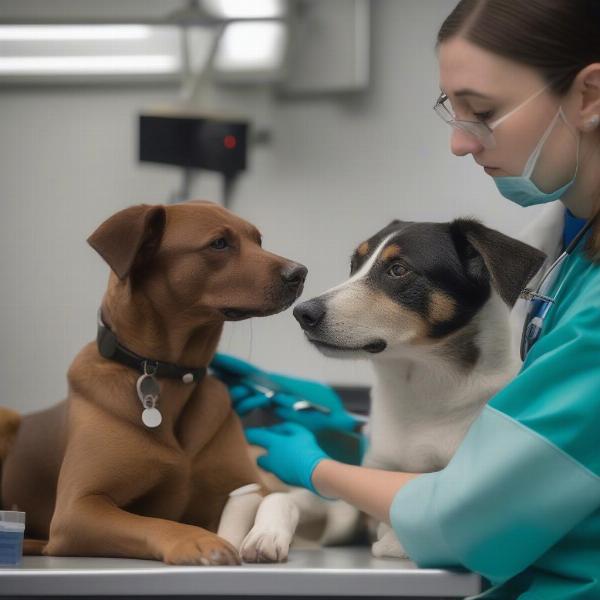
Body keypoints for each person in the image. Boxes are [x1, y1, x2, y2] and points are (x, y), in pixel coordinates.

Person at [213, 1, 600, 598]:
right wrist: (351, 417)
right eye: (454, 112)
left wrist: (316, 469)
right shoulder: (560, 252)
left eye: (483, 111)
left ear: (590, 94)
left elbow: (465, 516)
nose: (459, 142)